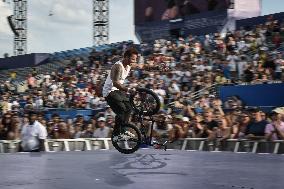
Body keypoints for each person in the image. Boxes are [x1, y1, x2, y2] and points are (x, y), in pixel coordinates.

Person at [102, 47, 138, 132]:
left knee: (129, 109)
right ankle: (117, 133)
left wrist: (157, 67)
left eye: (135, 59)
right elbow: (115, 83)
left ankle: (123, 131)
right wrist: (128, 90)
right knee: (122, 110)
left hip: (117, 91)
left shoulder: (129, 65)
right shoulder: (118, 66)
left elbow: (141, 66)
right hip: (109, 91)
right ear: (126, 57)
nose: (134, 61)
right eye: (133, 59)